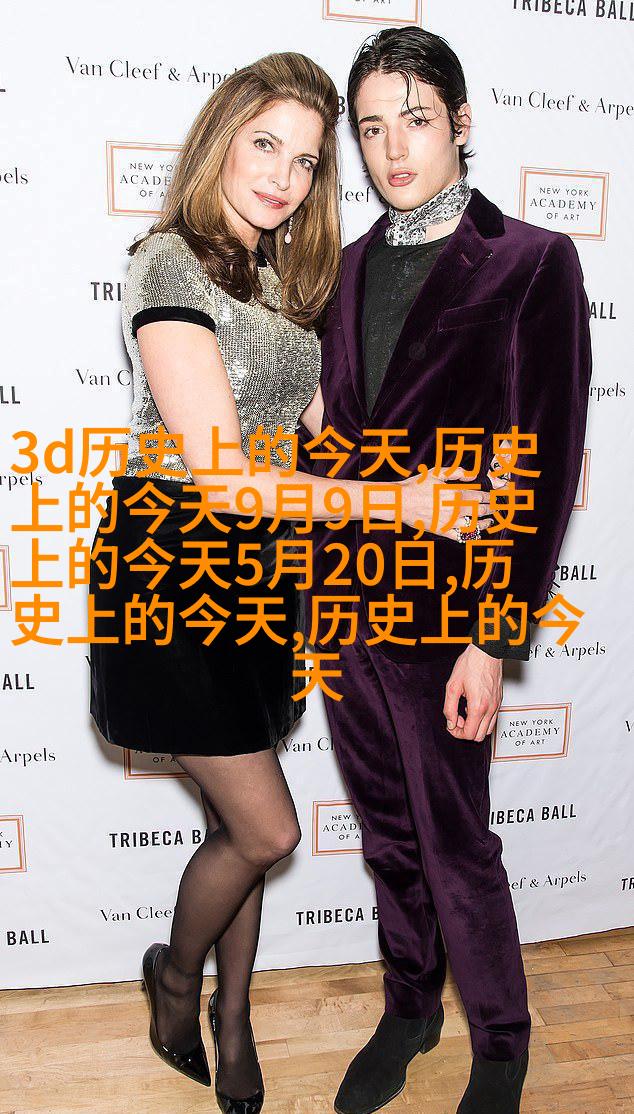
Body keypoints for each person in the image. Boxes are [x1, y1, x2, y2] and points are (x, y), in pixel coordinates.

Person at [88, 51, 493, 1114]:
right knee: (266, 830)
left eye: (308, 160)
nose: (283, 176)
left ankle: (232, 1017)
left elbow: (331, 435)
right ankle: (176, 979)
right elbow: (224, 477)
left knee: (236, 822)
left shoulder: (282, 282)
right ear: (221, 138)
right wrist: (400, 510)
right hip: (173, 568)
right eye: (265, 143)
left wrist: (441, 451)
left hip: (263, 577)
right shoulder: (167, 264)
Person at [297, 27, 592, 1114]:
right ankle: (411, 1006)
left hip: (446, 615)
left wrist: (490, 639)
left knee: (455, 837)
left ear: (460, 122)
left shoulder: (531, 262)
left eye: (415, 120)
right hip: (339, 604)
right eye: (372, 128)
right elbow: (330, 445)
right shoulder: (341, 269)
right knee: (385, 829)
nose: (393, 149)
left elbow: (542, 463)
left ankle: (501, 1041)